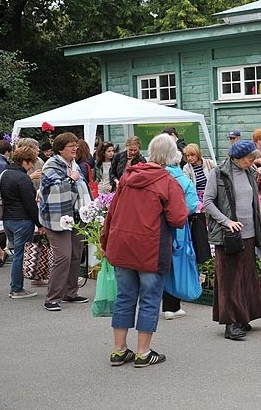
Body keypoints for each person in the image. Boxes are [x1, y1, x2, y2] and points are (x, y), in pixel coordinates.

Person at [101, 134, 188, 367]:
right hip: (151, 247)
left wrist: (106, 242)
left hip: (121, 245)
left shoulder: (128, 177)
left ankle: (119, 350)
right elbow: (179, 218)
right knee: (149, 298)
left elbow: (112, 213)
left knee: (124, 297)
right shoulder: (168, 182)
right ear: (172, 156)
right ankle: (143, 352)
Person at [203, 140, 261, 341]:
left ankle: (243, 317)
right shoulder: (218, 174)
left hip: (249, 232)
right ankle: (231, 323)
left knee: (246, 276)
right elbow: (207, 201)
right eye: (249, 159)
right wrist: (226, 221)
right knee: (230, 278)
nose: (252, 162)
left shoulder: (249, 173)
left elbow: (254, 203)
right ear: (237, 158)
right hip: (229, 235)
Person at [38, 132, 92, 311]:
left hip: (75, 218)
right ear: (60, 149)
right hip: (57, 219)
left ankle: (71, 292)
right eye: (71, 146)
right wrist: (72, 179)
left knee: (76, 255)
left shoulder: (73, 164)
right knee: (63, 257)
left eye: (76, 145)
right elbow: (55, 189)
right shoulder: (51, 165)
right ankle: (52, 298)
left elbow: (82, 189)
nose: (75, 148)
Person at [0, 145, 46, 299]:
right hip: (22, 220)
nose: (33, 165)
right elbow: (30, 204)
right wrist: (40, 224)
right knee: (21, 255)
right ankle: (17, 288)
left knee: (17, 253)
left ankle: (16, 287)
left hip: (7, 220)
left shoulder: (5, 174)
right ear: (25, 161)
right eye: (31, 162)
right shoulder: (23, 178)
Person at [162, 138, 200, 321]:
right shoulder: (184, 181)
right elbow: (192, 205)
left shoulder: (158, 178)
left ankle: (157, 303)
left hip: (157, 227)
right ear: (179, 162)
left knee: (159, 263)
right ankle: (172, 306)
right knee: (176, 263)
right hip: (178, 228)